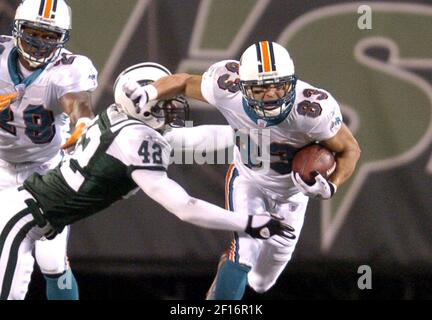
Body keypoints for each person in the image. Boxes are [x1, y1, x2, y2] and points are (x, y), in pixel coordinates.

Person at [0, 62, 295, 300]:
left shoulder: (122, 121)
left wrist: (264, 136)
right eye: (163, 101)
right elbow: (185, 207)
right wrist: (249, 223)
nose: (172, 106)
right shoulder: (135, 139)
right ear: (140, 106)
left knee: (53, 265)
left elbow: (191, 139)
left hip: (39, 214)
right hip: (23, 219)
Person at [130, 40, 362, 299]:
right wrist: (150, 92)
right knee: (246, 251)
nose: (272, 95)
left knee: (263, 281)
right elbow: (184, 81)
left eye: (279, 85)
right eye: (261, 87)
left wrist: (333, 184)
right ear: (241, 85)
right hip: (249, 179)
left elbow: (350, 149)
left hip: (291, 197)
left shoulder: (312, 110)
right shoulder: (226, 88)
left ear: (292, 82)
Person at [0, 0, 97, 299]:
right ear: (17, 29)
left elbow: (78, 102)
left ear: (62, 38)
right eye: (33, 32)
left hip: (46, 171)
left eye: (49, 36)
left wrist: (82, 125)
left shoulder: (68, 68)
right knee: (5, 259)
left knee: (53, 262)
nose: (39, 42)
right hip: (0, 166)